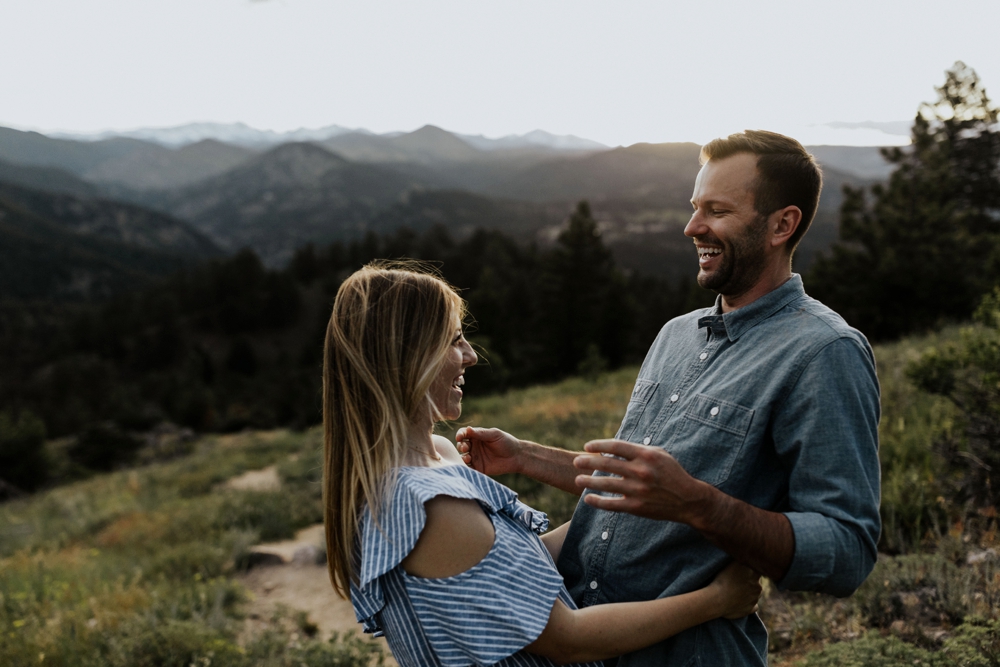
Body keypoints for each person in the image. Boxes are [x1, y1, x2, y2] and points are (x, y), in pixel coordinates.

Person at [458, 130, 882, 666]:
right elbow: (639, 485)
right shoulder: (675, 335)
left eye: (717, 210)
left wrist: (699, 505)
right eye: (694, 207)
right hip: (584, 643)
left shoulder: (825, 352)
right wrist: (525, 457)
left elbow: (847, 550)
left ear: (782, 224)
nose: (692, 227)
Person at [322, 261, 762, 667]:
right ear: (409, 356)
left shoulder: (440, 454)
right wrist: (717, 599)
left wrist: (639, 500)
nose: (472, 355)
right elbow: (568, 640)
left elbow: (515, 567)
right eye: (454, 339)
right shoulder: (428, 505)